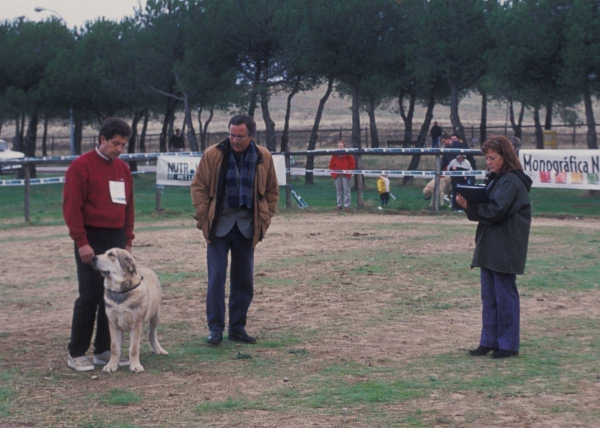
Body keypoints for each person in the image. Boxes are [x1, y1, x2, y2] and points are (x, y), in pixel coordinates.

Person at [190, 114, 279, 345]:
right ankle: (215, 329)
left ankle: (237, 328)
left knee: (244, 280)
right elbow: (198, 186)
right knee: (216, 277)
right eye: (231, 134)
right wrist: (203, 216)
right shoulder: (213, 154)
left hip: (247, 228)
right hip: (218, 227)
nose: (235, 140)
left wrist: (265, 218)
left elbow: (271, 191)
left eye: (240, 136)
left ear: (251, 136)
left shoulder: (263, 157)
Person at [63, 117, 134, 371]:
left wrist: (127, 241)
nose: (119, 149)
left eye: (123, 145)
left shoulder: (123, 170)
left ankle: (105, 350)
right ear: (102, 139)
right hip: (91, 239)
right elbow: (72, 208)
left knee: (113, 294)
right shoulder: (81, 167)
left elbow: (129, 208)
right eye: (115, 143)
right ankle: (77, 352)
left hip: (115, 239)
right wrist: (81, 241)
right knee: (90, 294)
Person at [455, 135, 532, 359]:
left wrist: (470, 205)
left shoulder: (511, 181)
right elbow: (488, 210)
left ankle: (508, 345)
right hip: (491, 245)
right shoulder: (497, 179)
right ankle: (489, 340)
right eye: (486, 158)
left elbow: (495, 211)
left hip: (505, 246)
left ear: (505, 157)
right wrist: (470, 205)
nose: (488, 162)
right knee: (489, 297)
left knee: (505, 296)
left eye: (493, 157)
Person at [328, 140, 356, 210]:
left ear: (344, 146)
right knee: (339, 191)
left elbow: (352, 165)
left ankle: (347, 206)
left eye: (341, 145)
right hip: (337, 176)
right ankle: (339, 205)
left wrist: (348, 173)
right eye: (339, 146)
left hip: (345, 175)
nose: (340, 147)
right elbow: (331, 165)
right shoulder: (334, 155)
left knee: (347, 191)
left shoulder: (349, 154)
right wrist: (333, 174)